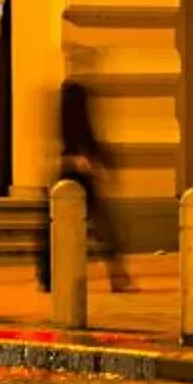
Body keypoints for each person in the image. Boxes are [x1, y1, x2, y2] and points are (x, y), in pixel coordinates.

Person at [59, 77, 135, 293]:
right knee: (103, 224)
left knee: (94, 225)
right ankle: (117, 275)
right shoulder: (74, 97)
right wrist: (99, 161)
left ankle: (117, 274)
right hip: (78, 173)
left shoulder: (70, 98)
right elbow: (85, 134)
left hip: (72, 172)